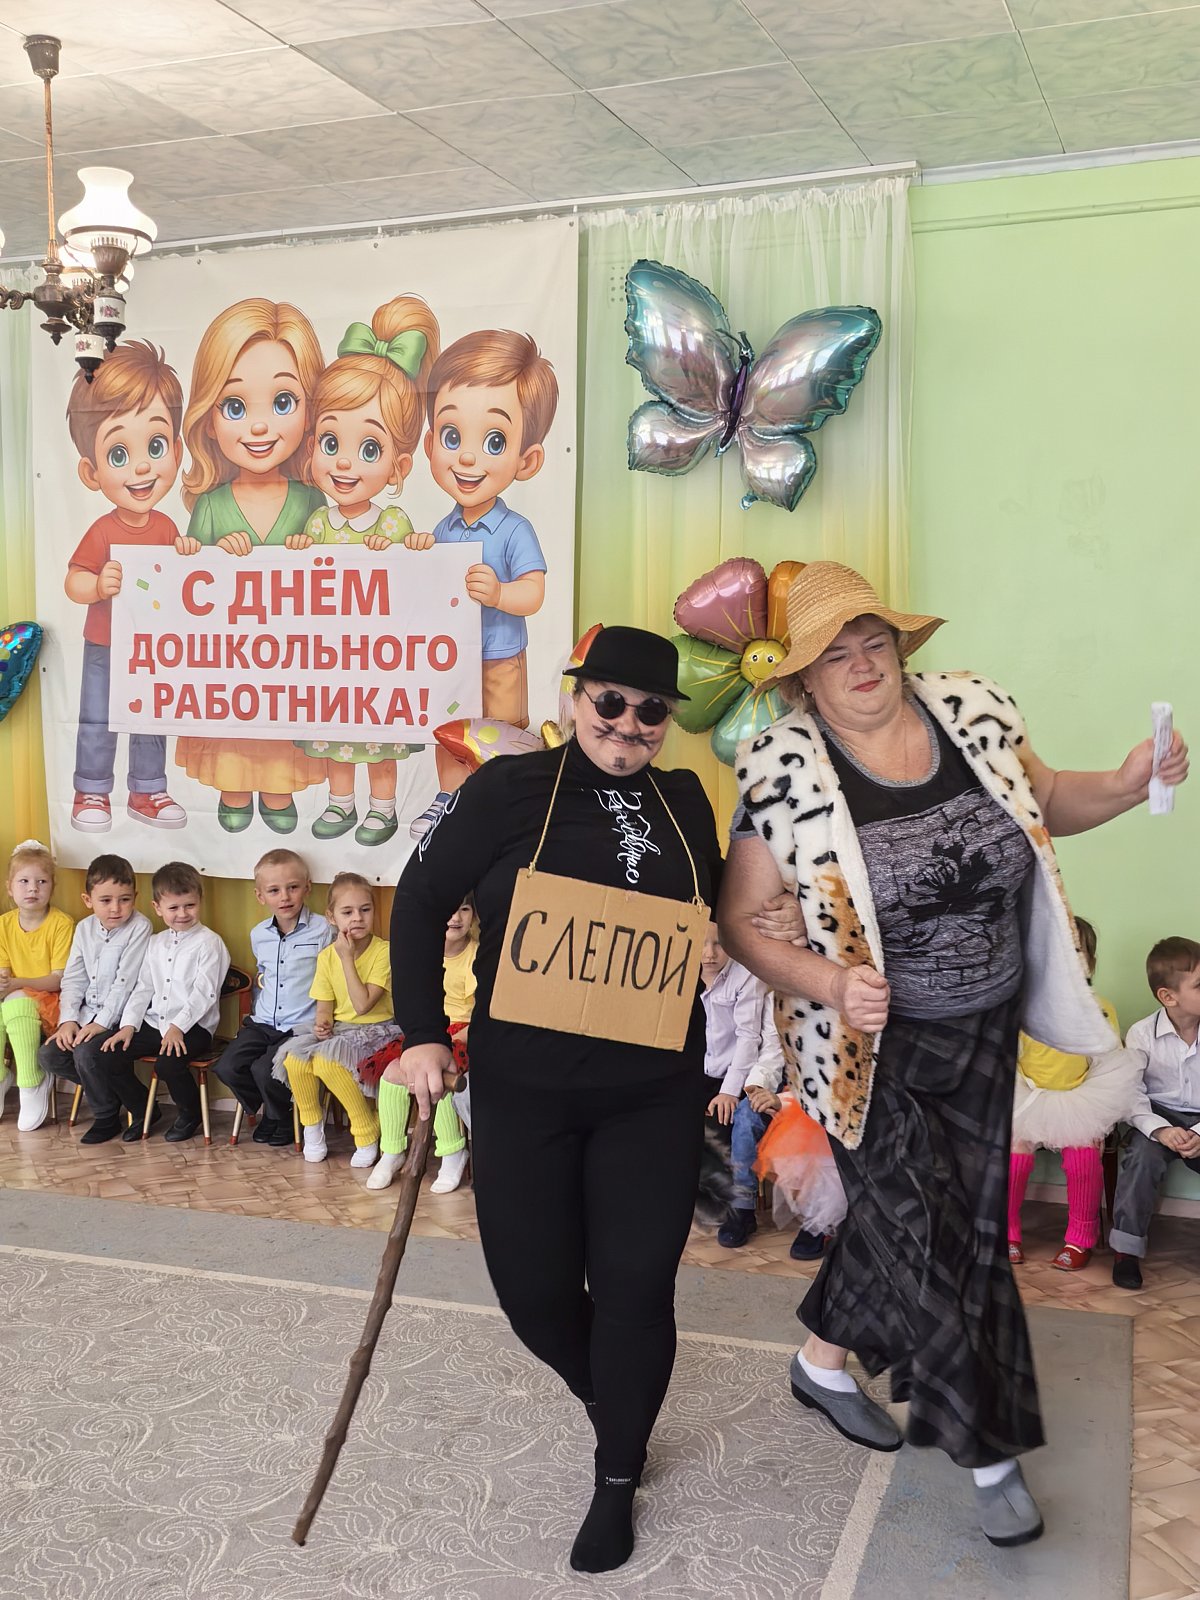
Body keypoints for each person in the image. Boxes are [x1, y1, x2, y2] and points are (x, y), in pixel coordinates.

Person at [719, 560, 1189, 1548]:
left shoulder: (972, 713)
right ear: (804, 681)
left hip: (984, 1029)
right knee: (941, 1245)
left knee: (932, 1225)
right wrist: (828, 981)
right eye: (835, 656)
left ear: (899, 647)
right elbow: (744, 923)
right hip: (869, 1050)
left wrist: (1126, 781)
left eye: (874, 643)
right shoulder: (779, 769)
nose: (862, 665)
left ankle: (819, 1364)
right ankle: (990, 1454)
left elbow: (1047, 800)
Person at [388, 624, 802, 1575]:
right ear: (578, 699)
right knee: (534, 1293)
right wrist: (420, 1032)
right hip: (524, 1091)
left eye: (651, 709)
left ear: (668, 720)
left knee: (634, 1287)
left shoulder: (686, 799)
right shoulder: (507, 789)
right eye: (609, 700)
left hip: (648, 1094)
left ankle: (618, 1468)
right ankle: (609, 1395)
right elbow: (418, 901)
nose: (628, 722)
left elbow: (722, 913)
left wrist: (772, 913)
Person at [288, 295, 439, 846]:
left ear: (398, 467)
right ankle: (340, 803)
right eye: (332, 443)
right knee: (334, 740)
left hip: (378, 665)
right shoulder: (317, 524)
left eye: (368, 448)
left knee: (378, 743)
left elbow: (419, 587)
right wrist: (298, 553)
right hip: (332, 663)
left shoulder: (394, 522)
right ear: (313, 451)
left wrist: (412, 549)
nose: (345, 462)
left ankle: (382, 808)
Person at [173, 298, 327, 834]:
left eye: (283, 401)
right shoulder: (211, 504)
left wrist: (312, 552)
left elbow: (335, 574)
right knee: (236, 723)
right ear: (208, 419)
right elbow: (186, 585)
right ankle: (235, 788)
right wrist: (206, 555)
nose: (260, 426)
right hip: (232, 661)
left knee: (281, 722)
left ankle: (278, 790)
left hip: (291, 657)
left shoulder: (312, 499)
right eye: (235, 406)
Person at [405, 329, 558, 839]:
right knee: (450, 732)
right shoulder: (443, 528)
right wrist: (420, 557)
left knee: (501, 735)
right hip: (452, 658)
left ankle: (500, 807)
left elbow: (533, 593)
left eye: (494, 442)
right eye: (453, 437)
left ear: (527, 460)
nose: (468, 459)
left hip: (499, 660)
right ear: (430, 445)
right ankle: (448, 800)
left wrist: (498, 594)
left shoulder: (515, 530)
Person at [63, 340, 188, 833]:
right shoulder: (102, 530)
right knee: (98, 717)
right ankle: (92, 789)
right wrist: (97, 585)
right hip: (105, 645)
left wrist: (187, 558)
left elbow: (182, 585)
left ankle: (147, 789)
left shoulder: (167, 527)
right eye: (120, 453)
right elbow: (73, 581)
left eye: (155, 447)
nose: (141, 468)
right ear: (91, 472)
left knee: (151, 717)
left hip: (153, 647)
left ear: (176, 451)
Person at [1008, 916, 1132, 1271]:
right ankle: (1006, 1231)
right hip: (1027, 1096)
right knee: (1015, 1155)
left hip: (1078, 1097)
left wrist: (1097, 1115)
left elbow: (1108, 1060)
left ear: (1091, 961)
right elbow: (1007, 1056)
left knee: (1083, 1158)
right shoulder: (1025, 1008)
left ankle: (1080, 1236)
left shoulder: (1100, 1009)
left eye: (1078, 952)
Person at [275, 872, 399, 1168]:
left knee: (328, 1062)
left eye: (365, 910)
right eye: (347, 912)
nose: (357, 918)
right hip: (342, 1031)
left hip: (377, 1031)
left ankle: (366, 1131)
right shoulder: (327, 956)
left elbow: (363, 1005)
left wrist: (347, 959)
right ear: (332, 917)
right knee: (294, 1059)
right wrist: (323, 1023)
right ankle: (312, 1127)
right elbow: (324, 1006)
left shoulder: (383, 952)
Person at [211, 848, 333, 1147]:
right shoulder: (259, 934)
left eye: (293, 887)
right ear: (260, 896)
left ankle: (281, 1118)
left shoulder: (323, 930)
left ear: (307, 887)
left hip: (301, 1025)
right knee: (227, 1067)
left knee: (264, 1070)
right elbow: (264, 975)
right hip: (264, 1021)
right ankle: (273, 1110)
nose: (285, 897)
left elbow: (333, 978)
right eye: (274, 890)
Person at [104, 861, 231, 1142]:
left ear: (200, 901)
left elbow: (205, 993)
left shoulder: (210, 943)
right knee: (109, 1055)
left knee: (167, 1065)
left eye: (190, 905)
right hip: (156, 1021)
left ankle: (191, 1114)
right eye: (173, 907)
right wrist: (128, 1025)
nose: (182, 914)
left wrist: (178, 1027)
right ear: (157, 907)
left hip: (195, 1026)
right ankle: (144, 1111)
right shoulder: (155, 943)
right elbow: (143, 988)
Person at [40, 853, 153, 1143]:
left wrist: (102, 1023)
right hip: (87, 1013)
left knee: (87, 1053)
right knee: (50, 1055)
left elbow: (126, 982)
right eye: (105, 900)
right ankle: (135, 1101)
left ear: (135, 897)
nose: (116, 908)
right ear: (88, 900)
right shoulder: (83, 929)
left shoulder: (140, 927)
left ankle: (106, 1116)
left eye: (124, 899)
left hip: (121, 1015)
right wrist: (68, 1021)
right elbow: (74, 979)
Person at [1109, 936, 1200, 1290]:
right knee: (1140, 1160)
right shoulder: (1142, 1034)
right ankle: (1126, 1251)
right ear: (1168, 996)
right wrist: (1160, 1130)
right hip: (1158, 1117)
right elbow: (1131, 1095)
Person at [367, 897, 473, 1194]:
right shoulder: (425, 953)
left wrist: (454, 1040)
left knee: (438, 1075)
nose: (455, 917)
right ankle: (392, 1151)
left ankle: (453, 1151)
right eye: (450, 909)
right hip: (431, 1032)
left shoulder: (476, 956)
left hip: (464, 1036)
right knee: (392, 1073)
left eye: (464, 909)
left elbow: (482, 1015)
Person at [718, 989, 829, 1261]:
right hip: (784, 1086)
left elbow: (827, 1068)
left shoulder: (829, 999)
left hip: (824, 1091)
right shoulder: (776, 999)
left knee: (812, 1129)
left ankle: (817, 1219)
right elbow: (772, 1052)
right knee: (746, 1115)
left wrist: (784, 1101)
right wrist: (758, 1087)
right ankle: (743, 1207)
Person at [0, 840, 74, 1131]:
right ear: (10, 887)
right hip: (15, 995)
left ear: (52, 887)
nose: (33, 889)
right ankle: (1, 1076)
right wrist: (6, 983)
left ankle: (32, 1080)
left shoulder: (61, 923)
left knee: (16, 1000)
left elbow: (58, 979)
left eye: (41, 882)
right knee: (10, 1000)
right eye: (24, 882)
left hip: (50, 999)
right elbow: (4, 974)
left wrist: (15, 984)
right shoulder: (4, 924)